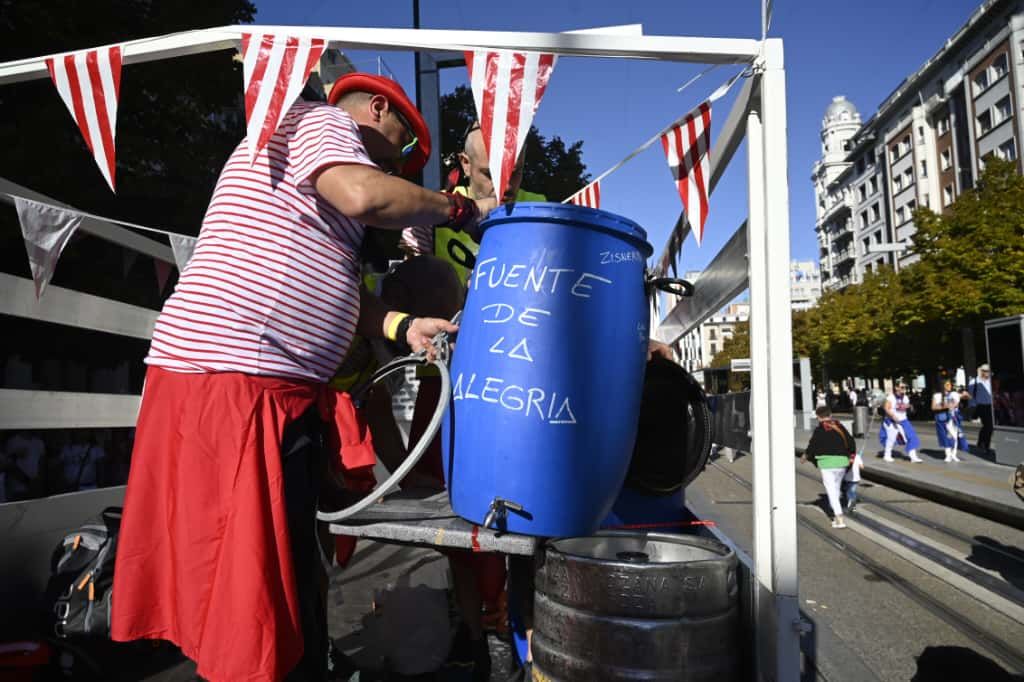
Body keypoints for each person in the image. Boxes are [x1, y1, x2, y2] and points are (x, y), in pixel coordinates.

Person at [111, 73, 496, 682]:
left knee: (285, 571)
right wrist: (459, 207)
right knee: (248, 583)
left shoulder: (315, 172)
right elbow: (364, 194)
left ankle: (298, 661)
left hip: (268, 387)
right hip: (238, 378)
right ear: (376, 109)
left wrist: (401, 326)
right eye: (402, 149)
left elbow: (340, 284)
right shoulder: (322, 122)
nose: (397, 166)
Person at [805, 405, 856, 529]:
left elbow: (813, 446)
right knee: (836, 488)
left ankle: (839, 517)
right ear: (830, 415)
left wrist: (808, 456)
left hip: (826, 463)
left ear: (818, 417)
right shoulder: (839, 426)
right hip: (842, 462)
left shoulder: (819, 430)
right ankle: (834, 509)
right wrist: (851, 456)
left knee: (831, 491)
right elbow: (851, 442)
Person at [879, 382, 922, 463]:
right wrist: (893, 416)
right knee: (891, 438)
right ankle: (887, 455)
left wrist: (909, 407)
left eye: (905, 387)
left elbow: (907, 407)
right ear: (896, 388)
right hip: (892, 421)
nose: (904, 389)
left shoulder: (905, 397)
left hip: (903, 420)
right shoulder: (891, 397)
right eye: (902, 387)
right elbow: (886, 408)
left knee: (912, 436)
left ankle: (913, 456)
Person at [932, 379, 967, 462]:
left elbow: (965, 398)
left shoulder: (953, 394)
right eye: (947, 385)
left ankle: (953, 454)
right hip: (943, 418)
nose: (949, 386)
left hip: (953, 418)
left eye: (950, 385)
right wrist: (945, 406)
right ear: (943, 386)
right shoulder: (937, 395)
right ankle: (948, 455)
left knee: (955, 436)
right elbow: (933, 407)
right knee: (946, 437)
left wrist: (964, 395)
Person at [968, 364, 994, 455]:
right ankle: (985, 445)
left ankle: (981, 443)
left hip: (990, 406)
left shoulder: (990, 381)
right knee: (988, 426)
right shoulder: (974, 381)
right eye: (985, 371)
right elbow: (971, 395)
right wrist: (972, 407)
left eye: (988, 371)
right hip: (980, 406)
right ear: (981, 371)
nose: (987, 373)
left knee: (989, 426)